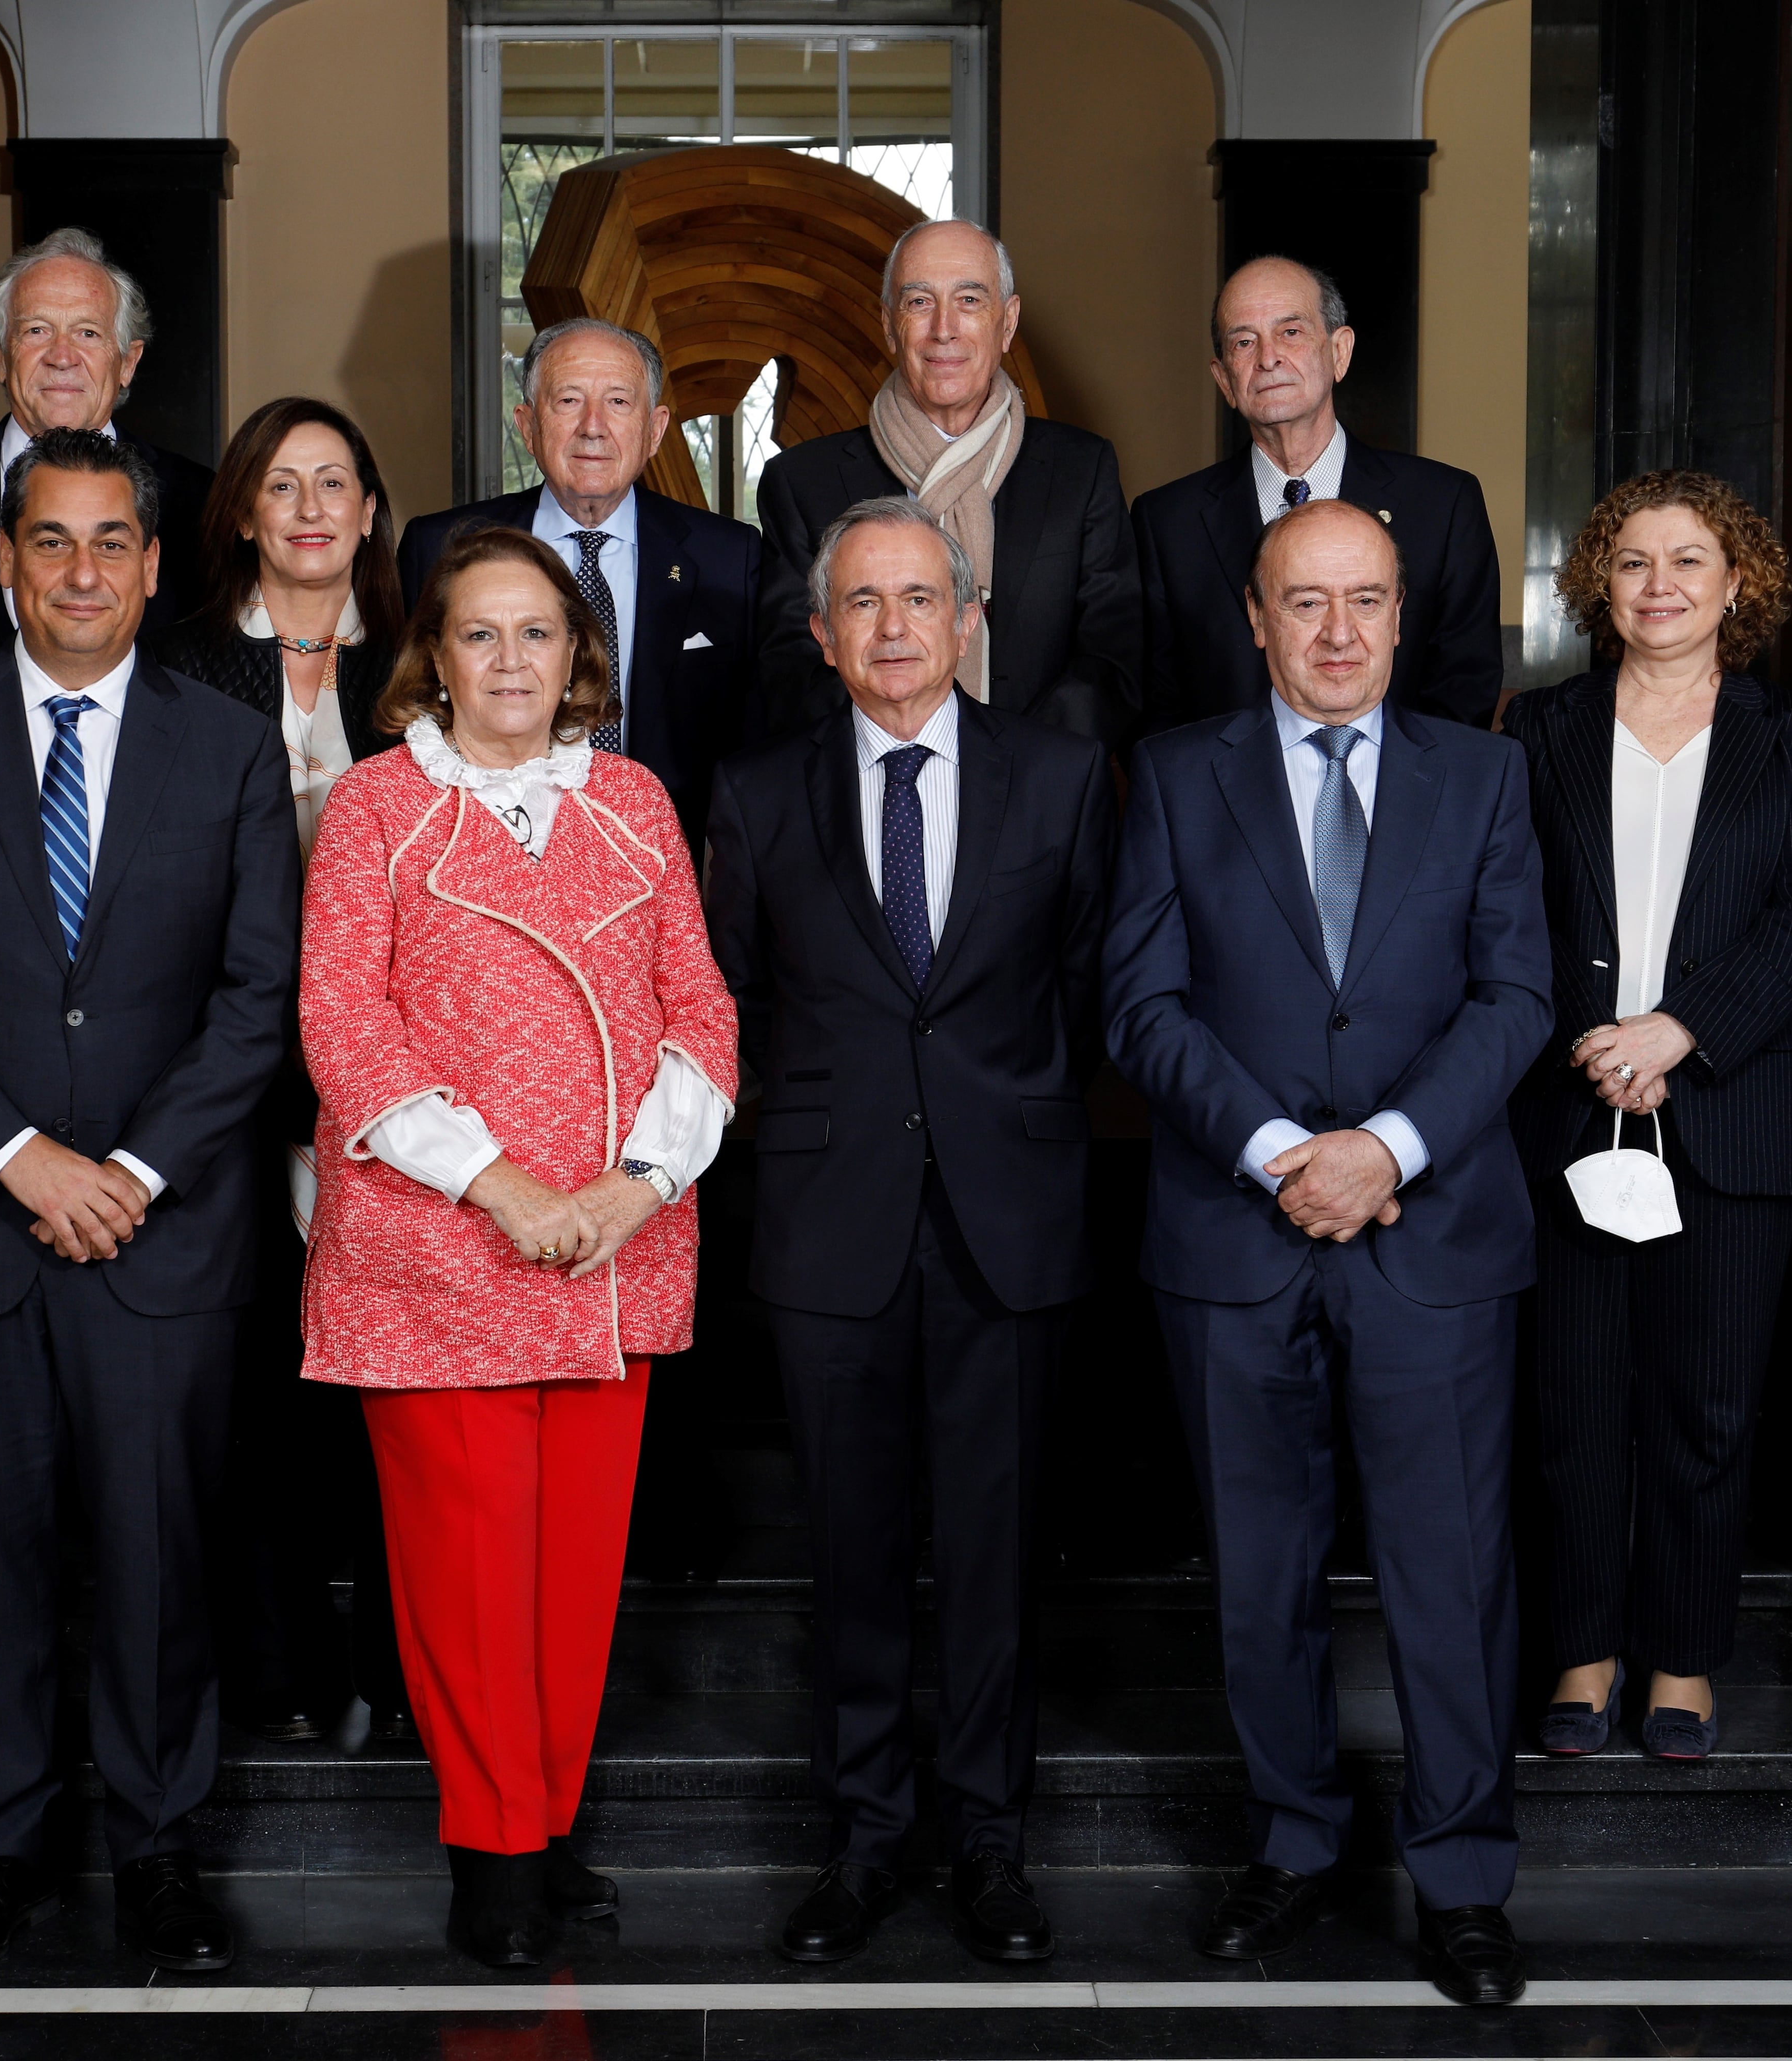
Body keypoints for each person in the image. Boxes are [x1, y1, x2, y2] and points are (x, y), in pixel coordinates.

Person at [0, 430, 297, 1975]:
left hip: (164, 1231)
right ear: (8, 560)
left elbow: (256, 996)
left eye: (112, 542)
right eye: (52, 541)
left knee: (159, 1562)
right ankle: (1, 1849)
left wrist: (137, 1170)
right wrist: (20, 1156)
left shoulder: (227, 747)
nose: (82, 570)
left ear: (157, 568)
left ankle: (161, 1853)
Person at [1104, 499, 1550, 2006]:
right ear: (1254, 615)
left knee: (1449, 1574)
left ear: (1403, 616)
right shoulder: (1172, 776)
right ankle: (1293, 1846)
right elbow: (1140, 1003)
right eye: (1307, 603)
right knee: (1258, 1574)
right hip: (1236, 1235)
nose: (1339, 631)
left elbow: (1515, 997)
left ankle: (1463, 1877)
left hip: (1431, 1237)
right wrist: (1282, 1154)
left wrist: (1387, 1149)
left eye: (1365, 600)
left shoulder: (1482, 777)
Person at [297, 525, 738, 1969]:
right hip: (442, 1242)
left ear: (577, 654)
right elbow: (345, 1027)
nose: (509, 661)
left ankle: (547, 1827)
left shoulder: (634, 799)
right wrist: (503, 1187)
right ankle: (489, 1856)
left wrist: (634, 1184)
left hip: (614, 1239)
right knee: (465, 1575)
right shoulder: (378, 807)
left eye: (535, 634)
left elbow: (702, 1013)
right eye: (479, 635)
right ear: (432, 653)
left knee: (570, 1578)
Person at [707, 500, 1115, 1968]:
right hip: (830, 1228)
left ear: (969, 622)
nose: (893, 627)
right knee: (855, 1551)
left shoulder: (1065, 780)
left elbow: (1085, 987)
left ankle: (991, 1845)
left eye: (921, 599)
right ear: (820, 636)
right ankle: (869, 1838)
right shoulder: (757, 792)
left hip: (1009, 1219)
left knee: (997, 1556)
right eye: (863, 603)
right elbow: (725, 1004)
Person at [1501, 472, 1792, 1764]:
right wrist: (1591, 1044)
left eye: (1687, 561)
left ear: (1734, 582)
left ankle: (1681, 1661)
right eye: (1633, 562)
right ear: (1600, 584)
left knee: (1706, 1408)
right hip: (1568, 1102)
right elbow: (1503, 909)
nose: (1659, 585)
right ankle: (1581, 1653)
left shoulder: (1791, 733)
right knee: (1574, 1404)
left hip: (1733, 1112)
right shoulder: (1536, 725)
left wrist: (1678, 1031)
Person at [155, 396, 411, 1744]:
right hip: (220, 1088)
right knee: (247, 1389)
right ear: (245, 509)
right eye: (283, 484)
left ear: (371, 511)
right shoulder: (181, 664)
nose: (311, 508)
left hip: (391, 1093)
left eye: (337, 483)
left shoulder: (421, 668)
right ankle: (277, 1669)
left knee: (384, 1392)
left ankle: (388, 1663)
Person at [754, 218, 1139, 745]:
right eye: (918, 303)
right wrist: (902, 749)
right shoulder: (802, 483)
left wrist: (1010, 763)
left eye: (969, 301)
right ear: (888, 324)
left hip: (1039, 789)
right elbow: (791, 670)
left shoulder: (1080, 469)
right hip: (869, 790)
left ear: (1007, 323)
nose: (943, 329)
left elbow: (1114, 652)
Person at [396, 318, 760, 851]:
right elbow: (412, 709)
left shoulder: (729, 555)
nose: (593, 426)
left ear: (655, 429)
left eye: (618, 402)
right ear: (527, 425)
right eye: (568, 401)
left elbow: (754, 734)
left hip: (671, 858)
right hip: (482, 851)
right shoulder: (439, 547)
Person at [1131, 256, 1504, 734]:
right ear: (1224, 379)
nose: (1268, 358)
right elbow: (1155, 707)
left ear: (1340, 352)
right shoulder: (1166, 523)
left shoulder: (1444, 505)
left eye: (1291, 333)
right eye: (1244, 342)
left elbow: (1464, 688)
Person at [0, 226, 213, 688]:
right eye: (37, 331)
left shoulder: (199, 501)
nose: (62, 356)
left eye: (88, 332)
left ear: (128, 362)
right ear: (1, 355)